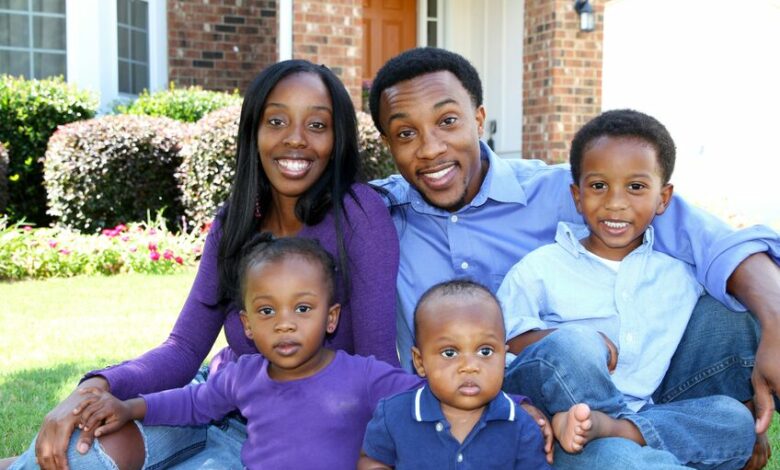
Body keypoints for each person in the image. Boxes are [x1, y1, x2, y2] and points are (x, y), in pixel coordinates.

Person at [368, 47, 779, 468]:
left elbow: (716, 244)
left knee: (733, 315)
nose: (430, 148)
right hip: (509, 414)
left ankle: (632, 432)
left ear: (478, 119)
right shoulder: (373, 218)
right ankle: (643, 443)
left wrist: (776, 322)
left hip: (612, 397)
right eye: (406, 133)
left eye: (448, 121)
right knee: (587, 385)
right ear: (387, 144)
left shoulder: (579, 192)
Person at [14, 59, 401, 470]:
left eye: (317, 125)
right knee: (78, 451)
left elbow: (379, 364)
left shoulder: (358, 215)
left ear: (337, 140)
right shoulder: (235, 220)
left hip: (299, 437)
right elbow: (184, 348)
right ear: (253, 132)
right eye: (276, 121)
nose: (295, 139)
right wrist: (95, 386)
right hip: (208, 402)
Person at [496, 109, 755, 469]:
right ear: (577, 195)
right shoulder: (540, 268)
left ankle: (618, 431)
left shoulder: (678, 275)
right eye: (598, 186)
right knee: (576, 344)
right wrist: (570, 338)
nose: (615, 202)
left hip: (643, 414)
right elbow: (501, 344)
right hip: (562, 417)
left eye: (635, 187)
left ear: (663, 198)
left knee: (734, 419)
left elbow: (739, 273)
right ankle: (618, 439)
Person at [70, 236, 423, 470]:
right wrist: (129, 407)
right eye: (267, 311)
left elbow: (423, 398)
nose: (284, 324)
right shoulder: (244, 376)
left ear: (331, 318)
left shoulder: (363, 376)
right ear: (247, 324)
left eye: (302, 309)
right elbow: (193, 402)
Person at [359, 280, 551, 469]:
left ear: (503, 357)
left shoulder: (521, 424)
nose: (470, 366)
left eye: (485, 351)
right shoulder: (394, 414)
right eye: (449, 353)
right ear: (420, 362)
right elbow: (372, 460)